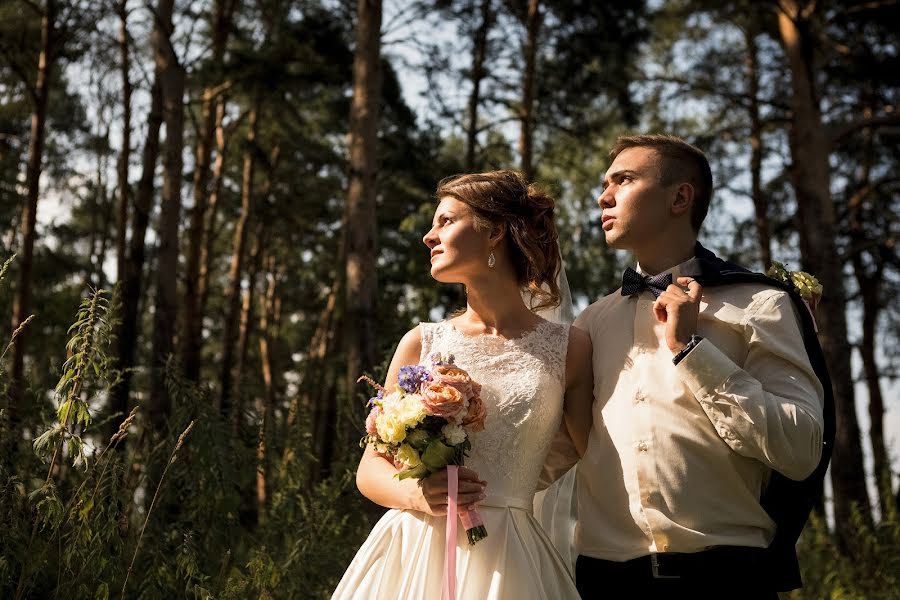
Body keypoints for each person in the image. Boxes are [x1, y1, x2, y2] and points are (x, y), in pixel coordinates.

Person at [542, 134, 832, 598]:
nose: (603, 195)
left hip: (729, 579)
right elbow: (560, 447)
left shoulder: (762, 303)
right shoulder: (590, 324)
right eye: (604, 183)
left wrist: (690, 349)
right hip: (604, 582)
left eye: (624, 179)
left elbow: (801, 448)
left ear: (680, 197)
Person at [332, 170, 593, 599]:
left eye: (446, 221)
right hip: (413, 551)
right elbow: (369, 470)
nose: (428, 237)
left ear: (494, 233)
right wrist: (419, 494)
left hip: (512, 557)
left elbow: (590, 456)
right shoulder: (421, 343)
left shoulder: (571, 348)